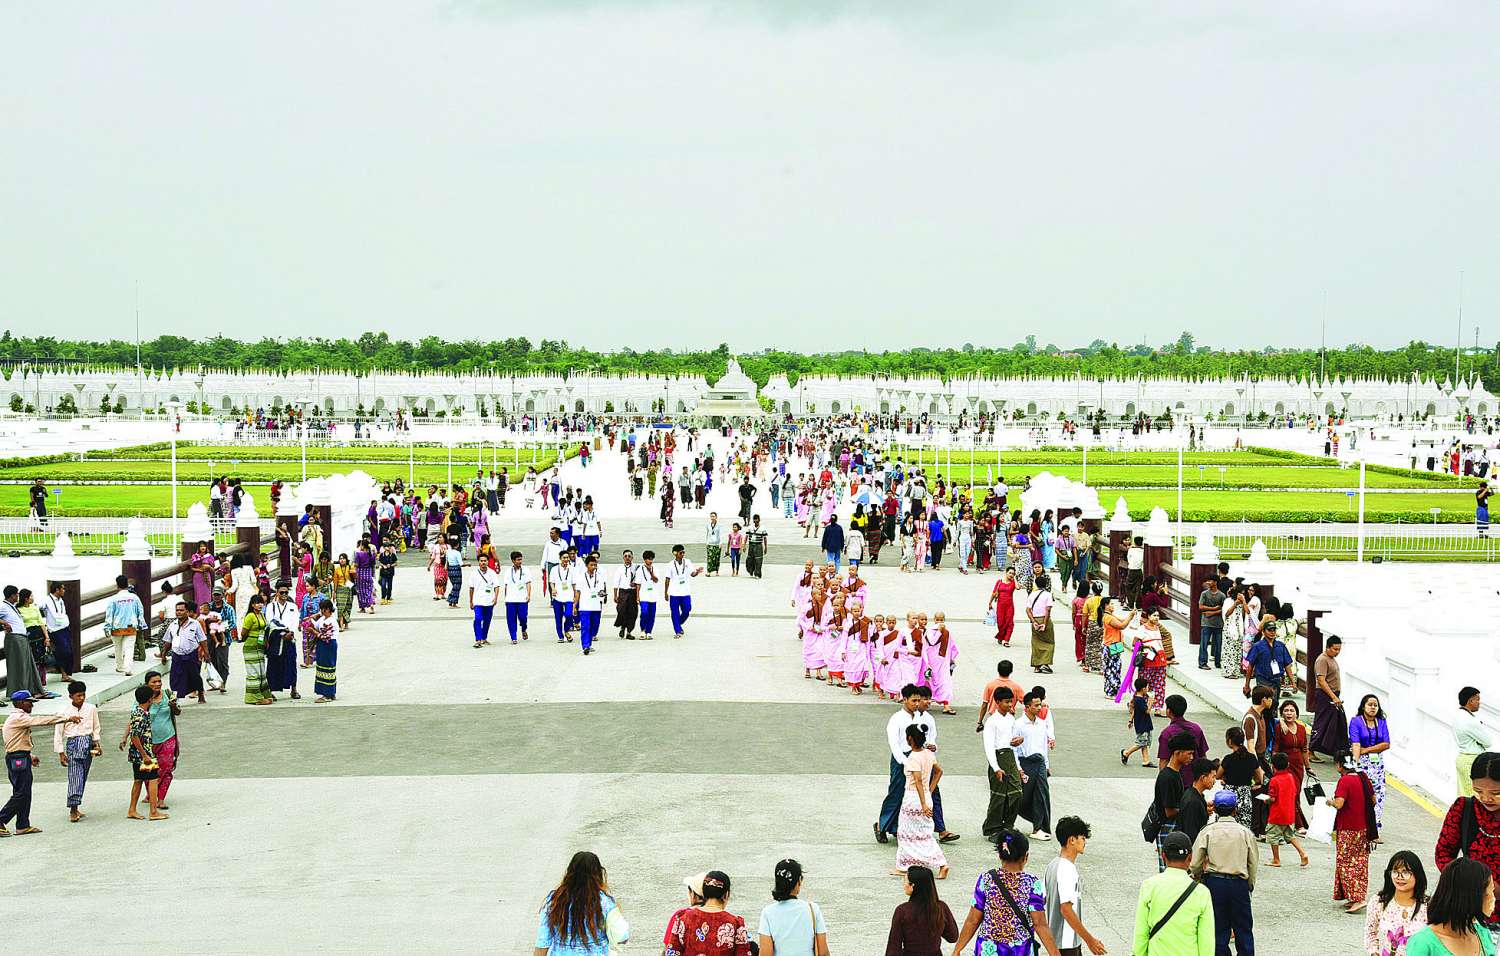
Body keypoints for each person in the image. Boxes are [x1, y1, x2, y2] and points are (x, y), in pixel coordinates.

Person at [952, 828, 1063, 956]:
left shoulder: (986, 879)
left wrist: (957, 949)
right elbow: (1040, 924)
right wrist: (1055, 953)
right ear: (1026, 856)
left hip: (989, 949)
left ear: (1000, 855)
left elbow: (973, 920)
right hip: (1020, 950)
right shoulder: (1032, 883)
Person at [0, 690, 79, 835]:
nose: (32, 705)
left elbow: (16, 741)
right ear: (21, 703)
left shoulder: (16, 718)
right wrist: (67, 718)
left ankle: (22, 825)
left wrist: (29, 755)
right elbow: (42, 720)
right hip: (18, 758)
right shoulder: (19, 718)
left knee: (23, 792)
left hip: (20, 757)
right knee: (21, 793)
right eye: (29, 702)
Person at [1189, 791, 1257, 956]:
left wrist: (1198, 878)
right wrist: (1249, 885)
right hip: (1238, 883)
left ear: (1216, 810)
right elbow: (1252, 863)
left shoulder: (1207, 831)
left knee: (1217, 929)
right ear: (1235, 810)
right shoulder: (1245, 833)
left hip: (1215, 883)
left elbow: (1195, 863)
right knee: (1244, 929)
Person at [1436, 752, 1500, 922]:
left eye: (1496, 793)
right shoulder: (1464, 809)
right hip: (1470, 910)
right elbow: (1443, 854)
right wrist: (1469, 882)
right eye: (1478, 791)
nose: (1486, 798)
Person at [1132, 831, 1214, 956]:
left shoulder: (1149, 886)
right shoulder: (1201, 892)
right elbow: (1206, 940)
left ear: (1163, 856)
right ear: (1190, 857)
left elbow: (1141, 933)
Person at [532, 850, 628, 956]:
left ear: (569, 872)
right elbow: (622, 937)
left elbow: (542, 942)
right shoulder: (605, 902)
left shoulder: (555, 900)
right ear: (598, 873)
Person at [1044, 816, 1108, 956]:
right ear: (1072, 840)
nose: (1085, 842)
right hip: (1067, 944)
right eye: (1083, 838)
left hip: (1057, 943)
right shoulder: (1067, 869)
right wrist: (1090, 940)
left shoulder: (1052, 865)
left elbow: (1043, 899)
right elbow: (1066, 909)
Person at [1403, 858, 1494, 956]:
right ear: (1472, 897)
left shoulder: (1482, 933)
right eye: (1489, 893)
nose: (1493, 898)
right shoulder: (1423, 943)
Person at [894, 723, 949, 878]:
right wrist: (929, 791)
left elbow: (917, 780)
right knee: (924, 833)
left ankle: (904, 865)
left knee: (905, 832)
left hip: (913, 798)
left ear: (910, 739)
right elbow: (938, 772)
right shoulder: (928, 754)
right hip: (925, 795)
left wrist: (923, 802)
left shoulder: (912, 758)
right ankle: (941, 863)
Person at [1330, 749, 1380, 914]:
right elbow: (1373, 800)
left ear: (1339, 765)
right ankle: (1355, 896)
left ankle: (1358, 898)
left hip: (1348, 828)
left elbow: (1339, 804)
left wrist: (1330, 801)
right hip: (1364, 828)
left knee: (1346, 862)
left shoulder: (1344, 781)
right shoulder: (1363, 777)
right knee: (1360, 861)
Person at [662, 870, 753, 956]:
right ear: (726, 895)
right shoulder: (736, 924)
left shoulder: (683, 919)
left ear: (704, 893)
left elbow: (672, 952)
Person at [757, 858, 829, 956]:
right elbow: (823, 952)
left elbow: (766, 953)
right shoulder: (812, 909)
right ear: (799, 881)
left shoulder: (768, 913)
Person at [982, 686, 1026, 843]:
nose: (1010, 705)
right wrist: (996, 768)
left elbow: (1013, 744)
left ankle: (1008, 825)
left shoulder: (1011, 719)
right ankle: (992, 828)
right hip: (998, 758)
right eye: (1007, 702)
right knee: (999, 796)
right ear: (998, 702)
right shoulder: (991, 722)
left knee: (1016, 793)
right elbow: (989, 747)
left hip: (1010, 758)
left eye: (1011, 701)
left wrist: (1018, 767)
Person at [53, 680, 101, 823]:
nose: (81, 698)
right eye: (78, 695)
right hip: (73, 744)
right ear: (71, 696)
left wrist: (97, 743)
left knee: (83, 775)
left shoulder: (91, 708)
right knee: (75, 776)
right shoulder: (64, 711)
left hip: (88, 743)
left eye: (83, 695)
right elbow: (58, 733)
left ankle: (76, 804)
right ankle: (73, 809)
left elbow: (96, 727)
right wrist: (61, 752)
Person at [884, 864, 957, 956]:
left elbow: (893, 948)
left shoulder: (902, 911)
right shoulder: (941, 907)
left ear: (913, 885)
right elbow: (952, 937)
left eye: (905, 881)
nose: (904, 885)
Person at [1364, 850, 1427, 956]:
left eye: (1406, 873)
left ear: (1417, 875)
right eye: (1395, 872)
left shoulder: (1428, 906)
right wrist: (1374, 952)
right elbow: (1370, 933)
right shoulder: (1378, 902)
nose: (1399, 877)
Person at [1152, 733, 1196, 871]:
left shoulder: (1175, 774)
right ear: (1178, 753)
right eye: (1189, 754)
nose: (1192, 757)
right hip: (1167, 828)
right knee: (1170, 870)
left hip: (1173, 827)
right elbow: (1169, 811)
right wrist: (1189, 809)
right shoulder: (1168, 778)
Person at [124, 684, 167, 822]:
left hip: (137, 754)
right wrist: (145, 755)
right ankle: (153, 811)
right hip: (144, 754)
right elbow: (135, 736)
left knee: (138, 780)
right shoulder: (141, 715)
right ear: (150, 699)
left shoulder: (137, 711)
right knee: (153, 779)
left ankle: (132, 809)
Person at [1350, 694, 1391, 830]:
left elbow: (1386, 744)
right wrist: (1354, 765)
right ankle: (1359, 826)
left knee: (1378, 794)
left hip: (1377, 764)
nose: (1373, 707)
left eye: (1375, 705)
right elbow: (1356, 744)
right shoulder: (1356, 721)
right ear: (1363, 706)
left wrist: (1367, 750)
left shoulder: (1381, 722)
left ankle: (1375, 828)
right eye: (1370, 705)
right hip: (1362, 762)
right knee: (1361, 793)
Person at [1017, 690, 1053, 841]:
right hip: (1025, 763)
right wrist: (1019, 768)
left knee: (1042, 795)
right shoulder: (1018, 724)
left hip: (1040, 763)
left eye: (1040, 705)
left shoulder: (1042, 724)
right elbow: (1014, 748)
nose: (1040, 708)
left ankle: (1039, 828)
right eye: (1036, 705)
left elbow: (1043, 747)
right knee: (1023, 797)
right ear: (1027, 707)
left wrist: (1046, 765)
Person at [1264, 753, 1309, 868]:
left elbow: (1272, 798)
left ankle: (1276, 859)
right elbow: (1294, 792)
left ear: (1273, 766)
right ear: (1288, 764)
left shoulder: (1274, 780)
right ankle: (1302, 853)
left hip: (1277, 815)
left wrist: (1266, 800)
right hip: (1289, 813)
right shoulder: (1290, 777)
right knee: (1290, 835)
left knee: (1273, 836)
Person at [1157, 697, 1210, 787]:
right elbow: (1203, 756)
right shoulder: (1196, 729)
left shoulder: (1167, 733)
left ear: (1169, 711)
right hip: (1195, 780)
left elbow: (1164, 761)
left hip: (1175, 781)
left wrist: (1163, 783)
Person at [1310, 637, 1348, 760]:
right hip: (1325, 695)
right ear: (1327, 647)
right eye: (1335, 649)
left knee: (1336, 723)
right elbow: (1321, 680)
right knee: (1321, 722)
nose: (1337, 652)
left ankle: (1337, 751)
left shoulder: (1332, 659)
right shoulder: (1322, 660)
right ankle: (1311, 749)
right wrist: (1333, 696)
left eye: (1339, 649)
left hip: (1333, 695)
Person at [164, 600, 208, 705]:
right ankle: (176, 698)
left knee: (195, 676)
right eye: (177, 610)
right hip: (177, 655)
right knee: (175, 677)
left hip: (191, 654)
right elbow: (168, 641)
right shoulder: (172, 625)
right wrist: (163, 653)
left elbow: (202, 640)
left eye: (181, 610)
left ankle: (200, 693)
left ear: (187, 612)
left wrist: (206, 653)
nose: (179, 612)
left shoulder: (195, 624)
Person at [1240, 622, 1292, 707]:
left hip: (1276, 680)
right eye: (1269, 630)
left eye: (1274, 630)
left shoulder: (1281, 646)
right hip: (1263, 679)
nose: (1272, 632)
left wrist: (1292, 682)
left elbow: (1287, 665)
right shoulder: (1257, 646)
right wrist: (1247, 685)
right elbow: (1250, 666)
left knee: (1274, 704)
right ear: (1263, 632)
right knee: (1264, 704)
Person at [1175, 758, 1218, 845]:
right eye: (1213, 777)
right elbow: (1191, 835)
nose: (1215, 781)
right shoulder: (1193, 802)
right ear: (1203, 778)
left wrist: (1204, 810)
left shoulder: (1195, 794)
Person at [239, 594, 273, 705]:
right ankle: (254, 698)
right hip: (251, 646)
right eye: (257, 603)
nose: (260, 605)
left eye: (261, 603)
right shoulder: (250, 616)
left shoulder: (262, 615)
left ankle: (263, 694)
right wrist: (252, 638)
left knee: (261, 671)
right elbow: (243, 633)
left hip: (260, 646)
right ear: (252, 605)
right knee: (253, 672)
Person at [665, 545, 701, 638]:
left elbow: (692, 574)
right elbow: (667, 579)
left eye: (683, 552)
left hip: (685, 592)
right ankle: (677, 630)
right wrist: (666, 592)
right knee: (675, 612)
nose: (683, 554)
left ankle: (678, 623)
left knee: (687, 609)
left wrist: (697, 572)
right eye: (681, 552)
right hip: (674, 593)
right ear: (675, 553)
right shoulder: (670, 565)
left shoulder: (687, 562)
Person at [576, 553, 608, 656]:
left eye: (595, 565)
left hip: (596, 605)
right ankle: (585, 646)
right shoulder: (581, 577)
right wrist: (575, 605)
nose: (593, 567)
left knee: (595, 625)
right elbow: (578, 592)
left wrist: (603, 594)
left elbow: (601, 590)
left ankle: (588, 643)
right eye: (591, 565)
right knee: (585, 626)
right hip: (584, 606)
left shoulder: (599, 577)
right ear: (587, 565)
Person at [1122, 678, 1155, 768]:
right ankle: (1126, 753)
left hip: (1144, 723)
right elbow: (1147, 711)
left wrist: (1130, 720)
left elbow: (1134, 711)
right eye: (1147, 687)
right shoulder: (1140, 700)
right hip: (1142, 724)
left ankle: (1146, 760)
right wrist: (1151, 702)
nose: (1148, 689)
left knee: (1145, 742)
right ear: (1143, 689)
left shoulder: (1138, 698)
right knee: (1141, 742)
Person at [310, 599, 339, 701]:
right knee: (322, 667)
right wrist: (310, 620)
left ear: (327, 609)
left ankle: (328, 694)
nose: (321, 611)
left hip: (328, 645)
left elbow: (326, 636)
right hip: (322, 645)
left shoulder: (332, 621)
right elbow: (316, 625)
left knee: (328, 667)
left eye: (322, 609)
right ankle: (329, 692)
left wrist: (314, 632)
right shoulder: (323, 619)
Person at [469, 556, 500, 648]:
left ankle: (484, 638)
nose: (483, 562)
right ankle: (478, 639)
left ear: (488, 562)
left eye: (485, 561)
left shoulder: (492, 573)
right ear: (478, 562)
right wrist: (471, 601)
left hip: (489, 601)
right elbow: (471, 588)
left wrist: (495, 597)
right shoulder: (474, 574)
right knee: (478, 619)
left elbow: (496, 586)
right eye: (481, 561)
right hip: (478, 601)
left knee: (487, 620)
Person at [1027, 576, 1056, 675]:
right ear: (1046, 584)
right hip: (1045, 619)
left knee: (1036, 642)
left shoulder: (1032, 595)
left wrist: (1033, 621)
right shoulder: (1048, 595)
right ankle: (1045, 663)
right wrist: (1044, 623)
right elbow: (1048, 610)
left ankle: (1037, 666)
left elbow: (1028, 610)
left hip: (1035, 619)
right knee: (1049, 642)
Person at [504, 552, 534, 645]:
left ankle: (524, 628)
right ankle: (513, 637)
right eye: (518, 560)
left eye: (521, 559)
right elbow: (506, 585)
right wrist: (506, 598)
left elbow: (528, 583)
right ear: (513, 561)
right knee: (511, 619)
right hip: (511, 599)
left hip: (522, 598)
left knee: (523, 617)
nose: (520, 561)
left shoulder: (526, 570)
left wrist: (528, 595)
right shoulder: (508, 571)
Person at [1196, 578, 1225, 670]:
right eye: (1207, 581)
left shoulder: (1222, 595)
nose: (1208, 583)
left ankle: (1218, 662)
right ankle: (1202, 663)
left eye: (1210, 581)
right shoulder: (1204, 594)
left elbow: (1224, 609)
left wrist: (1212, 612)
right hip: (1206, 623)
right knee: (1204, 644)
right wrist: (1214, 608)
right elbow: (1200, 607)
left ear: (1215, 582)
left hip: (1218, 623)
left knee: (1218, 644)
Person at [612, 550, 640, 639]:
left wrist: (635, 585)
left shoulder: (636, 568)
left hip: (632, 592)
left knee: (632, 612)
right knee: (621, 610)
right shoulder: (619, 569)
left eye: (629, 556)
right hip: (623, 592)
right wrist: (615, 595)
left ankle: (629, 632)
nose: (627, 558)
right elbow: (616, 583)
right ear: (623, 558)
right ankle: (622, 627)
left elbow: (640, 580)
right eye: (625, 556)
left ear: (632, 557)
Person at [705, 512, 723, 576]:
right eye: (711, 516)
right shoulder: (708, 525)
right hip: (710, 543)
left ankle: (717, 571)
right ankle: (709, 571)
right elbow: (707, 534)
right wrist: (707, 542)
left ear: (716, 517)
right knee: (710, 557)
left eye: (713, 516)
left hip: (717, 543)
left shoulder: (719, 525)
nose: (712, 518)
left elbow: (720, 534)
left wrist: (721, 542)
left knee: (716, 558)